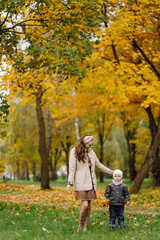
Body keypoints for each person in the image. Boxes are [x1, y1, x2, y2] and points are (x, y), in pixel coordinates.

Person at [67, 134, 113, 232]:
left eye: (92, 145)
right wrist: (69, 183)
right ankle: (80, 225)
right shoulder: (74, 151)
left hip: (91, 182)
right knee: (85, 205)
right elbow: (72, 169)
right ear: (84, 143)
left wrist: (111, 172)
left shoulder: (91, 152)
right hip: (81, 182)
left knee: (89, 205)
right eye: (89, 145)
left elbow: (99, 165)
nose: (91, 147)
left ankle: (85, 227)